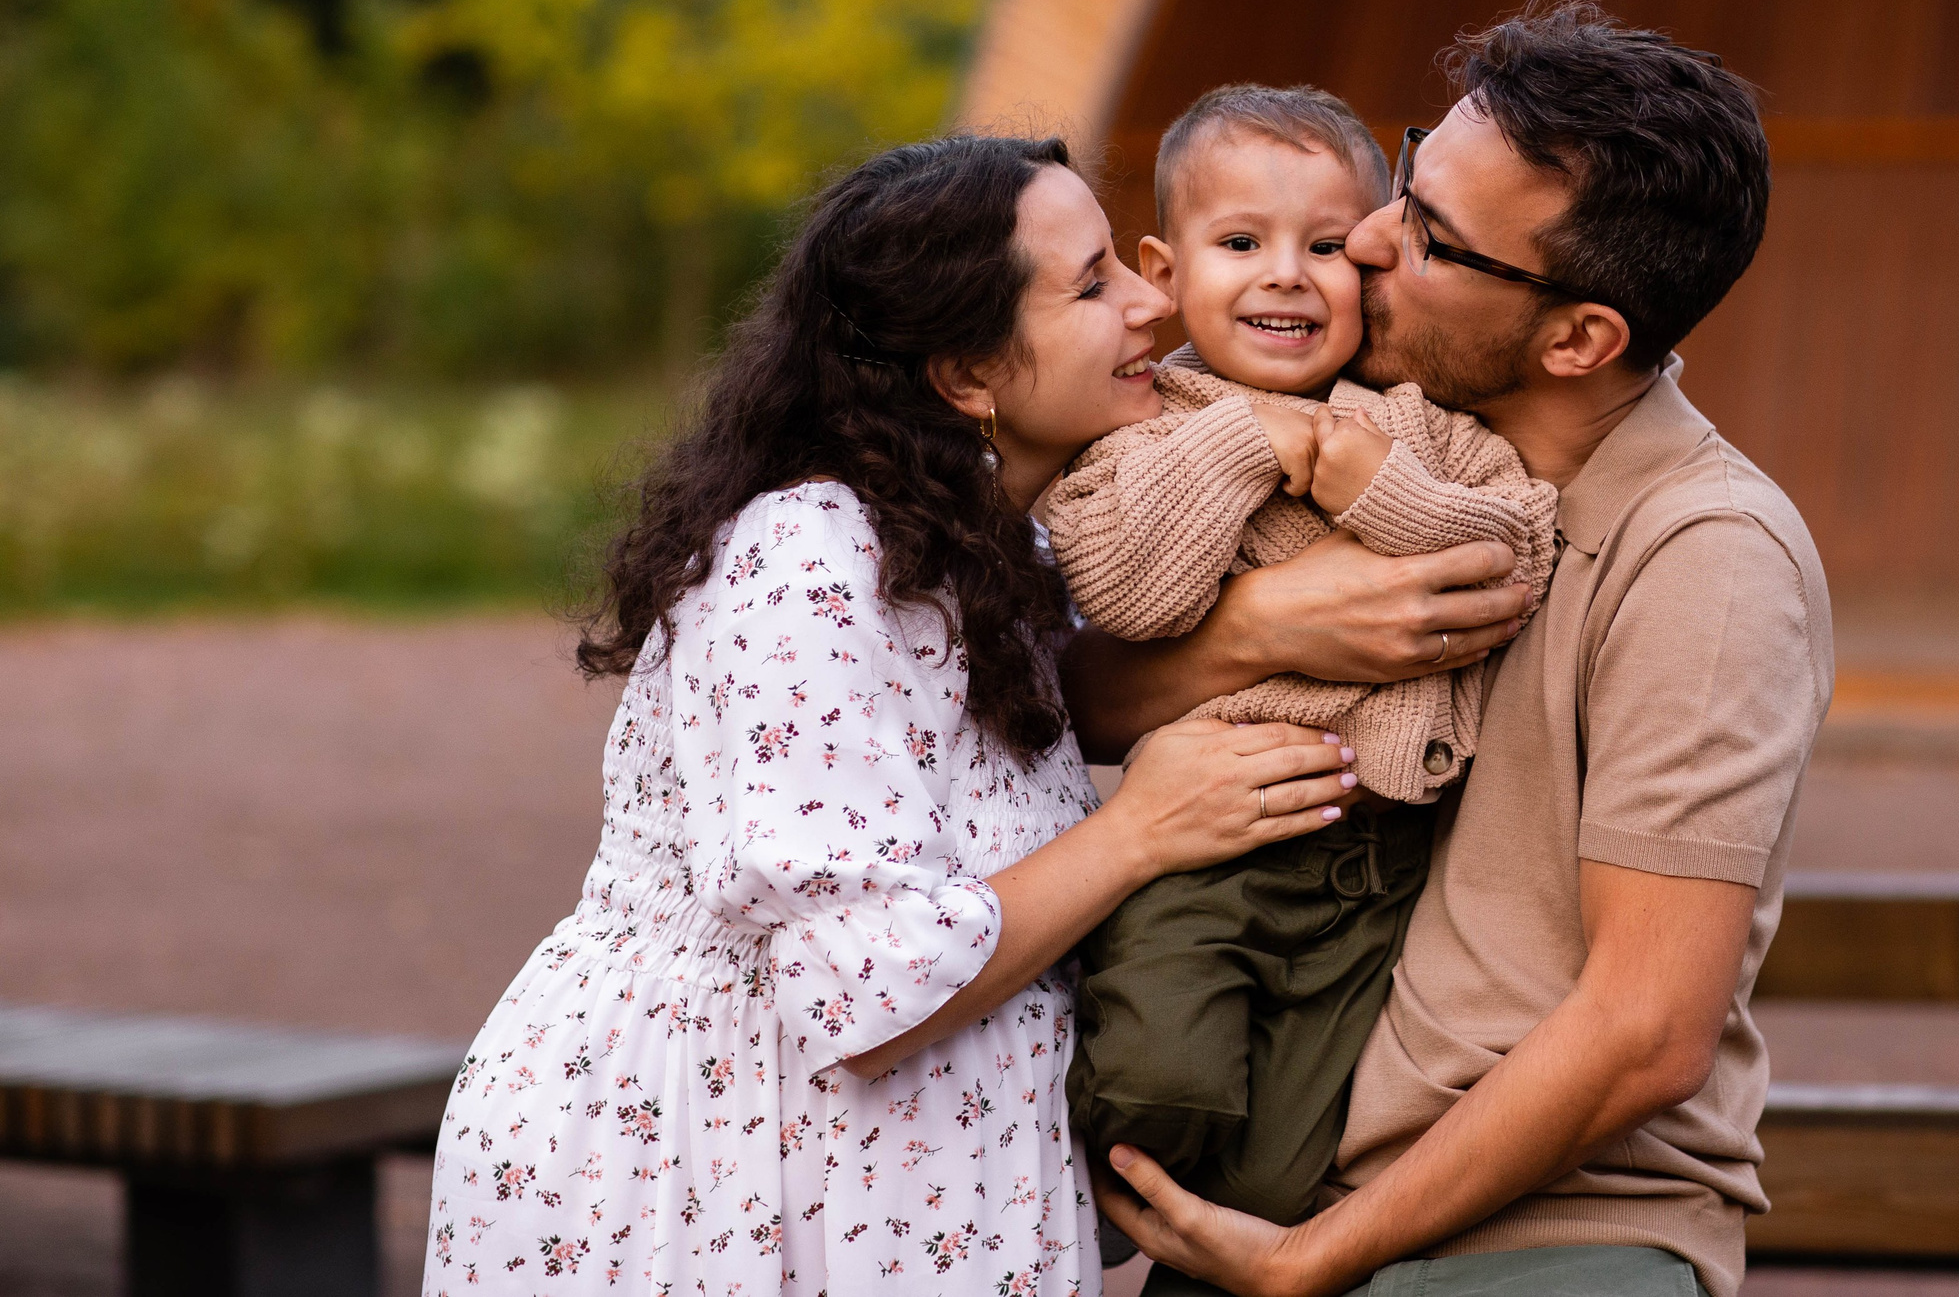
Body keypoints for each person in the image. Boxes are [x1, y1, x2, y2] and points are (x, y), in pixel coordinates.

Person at [422, 135, 1365, 1296]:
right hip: (711, 1185)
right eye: (1092, 283)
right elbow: (865, 995)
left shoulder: (992, 543)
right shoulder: (807, 560)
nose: (1150, 301)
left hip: (871, 1182)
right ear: (968, 377)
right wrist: (1142, 831)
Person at [1068, 0, 1832, 1297]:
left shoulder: (1705, 555)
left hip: (1536, 1234)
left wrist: (1316, 1256)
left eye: (1425, 234)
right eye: (1407, 182)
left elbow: (1646, 1030)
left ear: (1579, 336)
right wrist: (1260, 629)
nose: (1361, 240)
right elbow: (1076, 696)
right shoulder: (1356, 443)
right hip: (1285, 1179)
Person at [1045, 85, 1558, 1230]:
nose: (1285, 273)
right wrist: (1253, 438)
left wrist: (1366, 480)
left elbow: (1514, 547)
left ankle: (1212, 1248)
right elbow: (1134, 590)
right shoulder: (1141, 429)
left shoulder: (1415, 425)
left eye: (1325, 246)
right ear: (1164, 271)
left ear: (1368, 268)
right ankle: (1079, 1215)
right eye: (1240, 243)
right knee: (1154, 1087)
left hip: (1378, 868)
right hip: (1209, 844)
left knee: (1284, 1179)